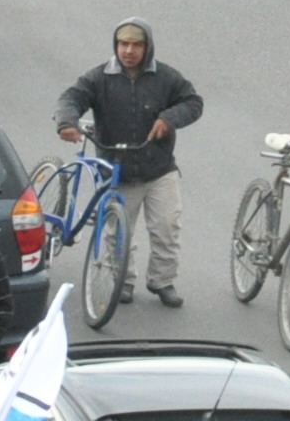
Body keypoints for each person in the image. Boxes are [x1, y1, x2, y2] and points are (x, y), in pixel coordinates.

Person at [49, 20, 201, 309]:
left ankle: (162, 281)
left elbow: (193, 102)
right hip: (116, 173)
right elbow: (71, 98)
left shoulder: (167, 78)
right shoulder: (98, 78)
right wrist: (66, 122)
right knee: (118, 231)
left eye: (136, 45)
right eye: (123, 44)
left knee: (167, 227)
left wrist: (170, 119)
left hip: (159, 171)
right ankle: (122, 281)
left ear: (147, 48)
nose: (129, 51)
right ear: (116, 46)